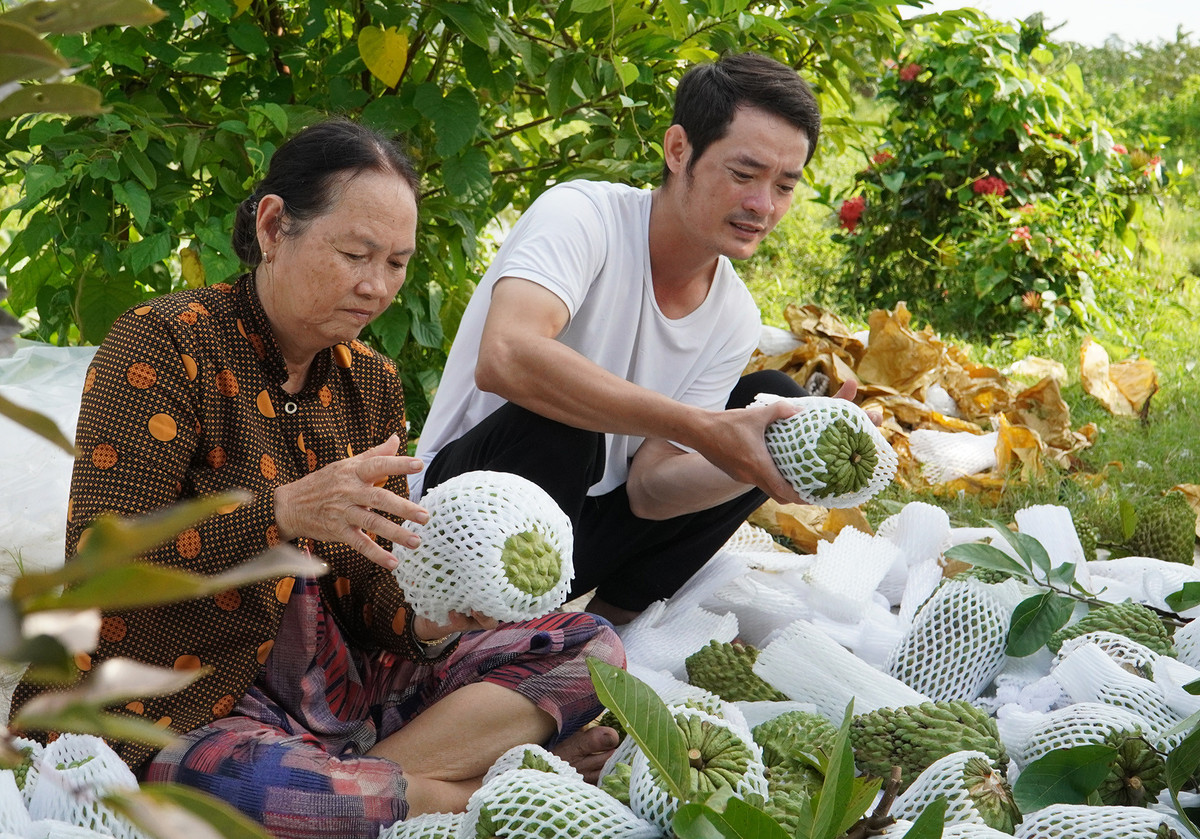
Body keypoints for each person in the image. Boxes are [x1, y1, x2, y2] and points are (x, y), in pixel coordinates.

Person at [9, 118, 623, 838]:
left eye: (397, 262)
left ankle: (367, 785)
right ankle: (471, 786)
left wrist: (429, 618)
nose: (377, 285)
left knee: (591, 646)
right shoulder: (166, 341)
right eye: (356, 253)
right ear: (274, 226)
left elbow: (370, 592)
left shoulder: (371, 383)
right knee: (236, 786)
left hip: (332, 689)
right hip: (181, 698)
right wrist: (282, 512)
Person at [414, 52, 826, 625]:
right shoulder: (583, 216)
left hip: (571, 540)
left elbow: (650, 492)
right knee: (563, 424)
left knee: (780, 411)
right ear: (678, 150)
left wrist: (754, 461)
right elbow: (505, 357)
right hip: (460, 517)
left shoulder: (734, 313)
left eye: (784, 185)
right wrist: (703, 429)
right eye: (743, 174)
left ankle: (605, 635)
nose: (763, 205)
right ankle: (473, 637)